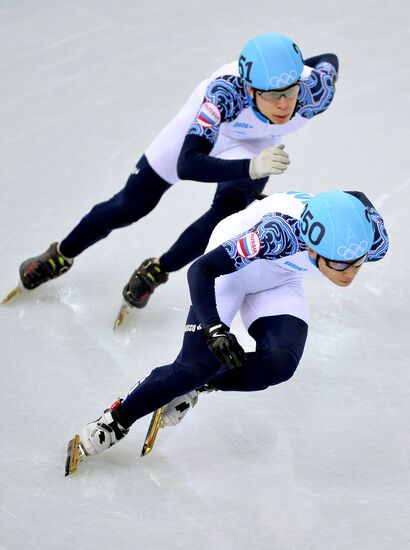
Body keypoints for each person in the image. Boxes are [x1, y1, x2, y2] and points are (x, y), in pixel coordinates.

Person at [66, 189, 389, 469]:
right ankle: (116, 419)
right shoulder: (277, 233)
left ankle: (198, 386)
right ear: (314, 249)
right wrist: (215, 329)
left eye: (357, 262)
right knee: (194, 365)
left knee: (279, 363)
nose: (349, 273)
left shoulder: (372, 239)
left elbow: (356, 198)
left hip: (279, 277)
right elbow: (202, 269)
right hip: (228, 272)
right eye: (338, 263)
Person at [18, 33, 339, 312]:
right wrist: (252, 167)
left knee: (226, 211)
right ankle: (60, 254)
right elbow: (188, 164)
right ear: (250, 88)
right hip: (204, 132)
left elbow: (329, 59)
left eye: (290, 90)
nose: (283, 104)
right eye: (270, 94)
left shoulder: (315, 92)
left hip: (256, 141)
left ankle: (158, 270)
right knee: (131, 204)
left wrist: (292, 68)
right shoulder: (225, 94)